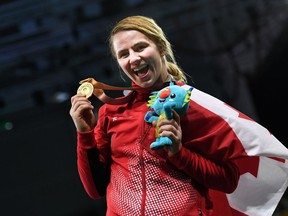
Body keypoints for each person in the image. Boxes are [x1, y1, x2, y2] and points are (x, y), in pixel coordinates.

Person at [69, 15, 288, 216]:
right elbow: (95, 189)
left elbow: (228, 180)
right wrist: (84, 133)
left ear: (161, 47)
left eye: (140, 47)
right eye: (123, 54)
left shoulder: (195, 107)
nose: (133, 58)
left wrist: (178, 153)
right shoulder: (113, 111)